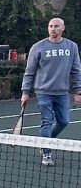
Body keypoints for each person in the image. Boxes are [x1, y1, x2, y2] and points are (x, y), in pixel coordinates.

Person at [21, 17, 81, 165]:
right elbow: (29, 72)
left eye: (56, 26)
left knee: (63, 121)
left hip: (62, 93)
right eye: (50, 26)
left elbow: (76, 71)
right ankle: (46, 153)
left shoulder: (71, 47)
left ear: (63, 28)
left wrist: (78, 90)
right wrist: (25, 92)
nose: (53, 29)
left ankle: (46, 142)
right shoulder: (38, 47)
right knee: (46, 122)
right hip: (43, 93)